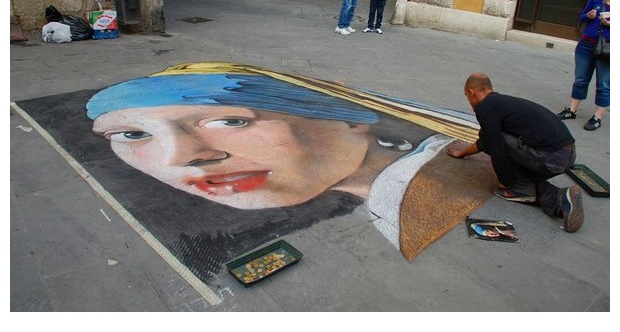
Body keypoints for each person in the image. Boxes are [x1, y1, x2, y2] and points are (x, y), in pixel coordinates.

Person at [86, 61, 496, 257]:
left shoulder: (421, 189)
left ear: (350, 119)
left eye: (229, 121)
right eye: (132, 134)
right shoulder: (401, 194)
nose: (183, 159)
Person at [447, 73, 584, 233]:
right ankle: (562, 200)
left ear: (472, 92)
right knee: (503, 146)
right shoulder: (501, 103)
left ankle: (519, 188)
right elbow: (484, 141)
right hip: (566, 154)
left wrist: (505, 181)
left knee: (498, 139)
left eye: (467, 97)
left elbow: (495, 145)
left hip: (551, 156)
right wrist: (462, 153)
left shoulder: (485, 107)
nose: (469, 102)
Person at [556, 0, 610, 131]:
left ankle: (597, 117)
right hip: (587, 44)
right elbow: (582, 16)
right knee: (580, 78)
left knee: (604, 84)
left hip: (609, 47)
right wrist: (589, 16)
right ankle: (572, 110)